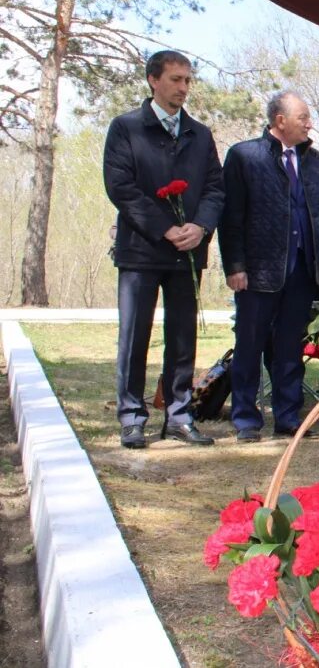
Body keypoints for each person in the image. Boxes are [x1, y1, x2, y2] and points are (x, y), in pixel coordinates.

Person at [103, 49, 224, 448]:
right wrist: (165, 228)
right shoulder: (126, 129)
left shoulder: (200, 134)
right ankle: (132, 416)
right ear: (153, 80)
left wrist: (200, 226)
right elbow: (121, 187)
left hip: (187, 253)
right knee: (135, 335)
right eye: (176, 79)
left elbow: (214, 189)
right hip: (141, 251)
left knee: (182, 337)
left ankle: (178, 414)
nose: (184, 88)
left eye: (188, 80)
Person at [220, 90, 319, 442]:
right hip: (258, 270)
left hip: (302, 270)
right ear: (280, 120)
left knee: (289, 348)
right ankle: (246, 419)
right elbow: (231, 217)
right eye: (303, 117)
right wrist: (235, 266)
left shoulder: (314, 161)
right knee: (250, 344)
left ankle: (288, 416)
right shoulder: (244, 156)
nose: (309, 123)